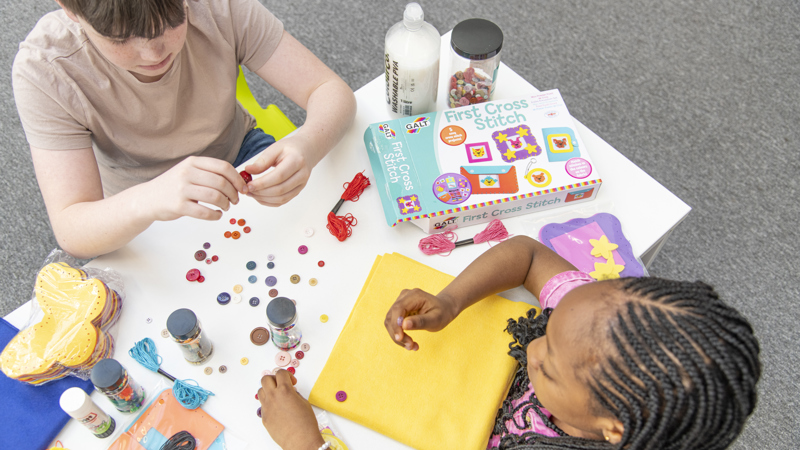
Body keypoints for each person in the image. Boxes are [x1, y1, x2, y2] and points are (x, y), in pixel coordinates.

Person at [13, 0, 356, 259]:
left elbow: (330, 91)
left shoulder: (218, 7)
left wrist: (307, 145)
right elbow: (72, 227)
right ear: (71, 10)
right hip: (136, 201)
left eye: (171, 21)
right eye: (120, 38)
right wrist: (148, 199)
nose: (153, 51)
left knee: (311, 242)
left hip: (240, 156)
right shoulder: (46, 70)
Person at [382, 235, 761, 449]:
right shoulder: (592, 318)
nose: (532, 349)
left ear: (613, 428)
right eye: (547, 332)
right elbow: (528, 256)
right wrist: (450, 301)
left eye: (547, 368)